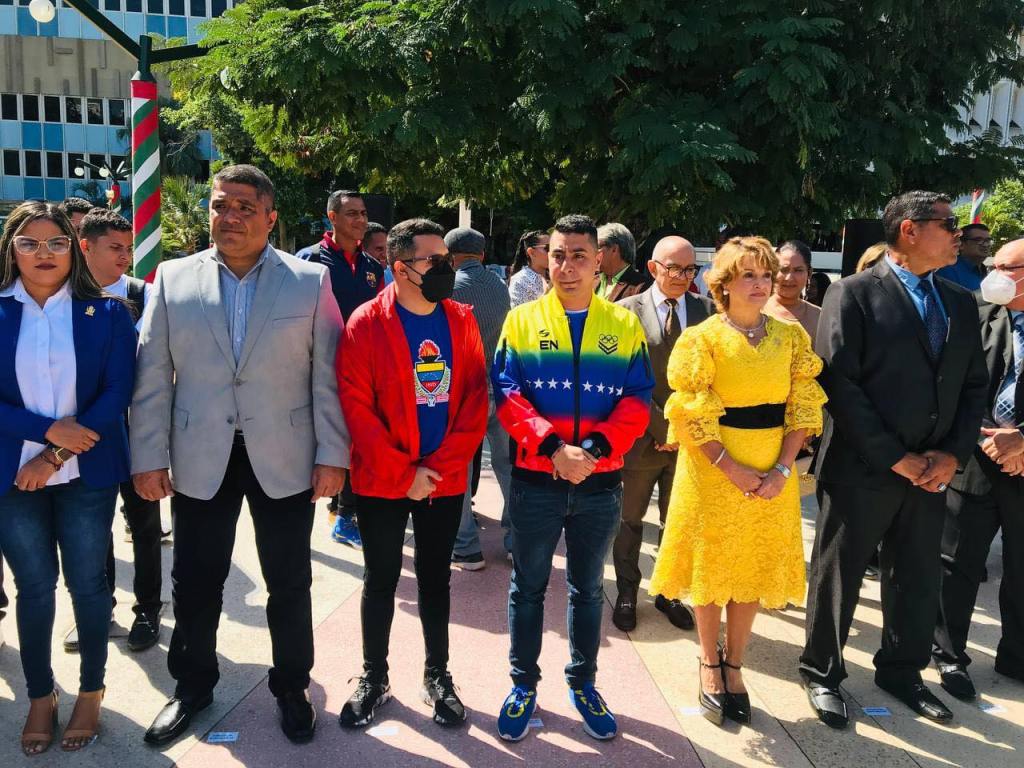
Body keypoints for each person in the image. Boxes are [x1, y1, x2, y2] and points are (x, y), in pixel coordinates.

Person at [131, 164, 350, 745]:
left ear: (270, 217)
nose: (229, 217)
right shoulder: (171, 279)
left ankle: (292, 686)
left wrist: (333, 455)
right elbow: (152, 378)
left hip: (285, 454)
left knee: (289, 580)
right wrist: (147, 458)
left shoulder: (309, 282)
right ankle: (192, 685)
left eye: (244, 208)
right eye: (220, 205)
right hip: (200, 453)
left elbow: (328, 377)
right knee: (195, 579)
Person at [800, 191, 988, 728]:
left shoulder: (959, 300)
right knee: (840, 573)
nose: (959, 235)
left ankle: (902, 671)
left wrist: (951, 455)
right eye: (949, 224)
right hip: (864, 468)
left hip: (932, 472)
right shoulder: (853, 292)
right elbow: (840, 384)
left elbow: (973, 385)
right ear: (909, 229)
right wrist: (895, 458)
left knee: (917, 575)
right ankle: (822, 672)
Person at [649, 237, 824, 727]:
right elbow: (690, 413)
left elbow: (803, 405)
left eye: (766, 275)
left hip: (773, 471)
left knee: (751, 568)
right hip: (712, 472)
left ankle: (735, 663)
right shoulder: (701, 339)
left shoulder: (790, 337)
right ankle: (709, 661)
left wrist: (783, 469)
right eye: (749, 275)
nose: (762, 284)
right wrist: (731, 468)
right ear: (724, 283)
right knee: (713, 567)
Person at [492, 214, 654, 742]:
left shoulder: (623, 324)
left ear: (598, 260)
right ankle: (522, 685)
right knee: (528, 588)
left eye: (579, 255)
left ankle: (583, 683)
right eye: (557, 254)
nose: (566, 266)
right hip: (536, 480)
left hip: (599, 484)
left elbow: (638, 399)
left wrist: (594, 450)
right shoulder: (521, 321)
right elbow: (507, 393)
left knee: (587, 591)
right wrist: (553, 449)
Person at [337, 219, 487, 728]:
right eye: (434, 261)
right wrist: (404, 473)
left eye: (447, 259)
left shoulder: (461, 320)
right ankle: (374, 676)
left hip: (442, 480)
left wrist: (436, 470)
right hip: (383, 479)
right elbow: (357, 409)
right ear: (401, 269)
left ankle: (437, 674)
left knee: (435, 579)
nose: (446, 268)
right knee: (380, 579)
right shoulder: (365, 323)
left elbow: (475, 400)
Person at [0, 201, 137, 754]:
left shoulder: (108, 312)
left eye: (56, 242)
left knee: (88, 584)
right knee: (33, 588)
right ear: (11, 249)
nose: (44, 253)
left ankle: (90, 690)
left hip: (86, 473)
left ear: (73, 249)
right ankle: (40, 695)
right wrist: (46, 431)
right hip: (13, 477)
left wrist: (52, 455)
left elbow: (116, 392)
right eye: (29, 243)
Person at [932, 238, 1024, 698]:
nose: (994, 275)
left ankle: (1017, 657)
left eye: (1006, 268)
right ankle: (949, 656)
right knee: (957, 565)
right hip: (977, 459)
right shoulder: (977, 314)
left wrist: (1022, 440)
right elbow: (958, 386)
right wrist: (989, 438)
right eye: (994, 265)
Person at [69, 208, 164, 654]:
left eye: (128, 248)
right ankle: (96, 610)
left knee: (145, 524)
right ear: (85, 246)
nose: (125, 256)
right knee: (92, 528)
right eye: (115, 248)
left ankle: (148, 610)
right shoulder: (61, 296)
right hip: (85, 434)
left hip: (136, 430)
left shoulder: (144, 295)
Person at [612, 235, 714, 634]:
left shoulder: (707, 311)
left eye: (690, 269)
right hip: (641, 437)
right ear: (653, 268)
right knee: (629, 520)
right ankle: (626, 591)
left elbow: (713, 378)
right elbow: (621, 379)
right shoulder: (625, 313)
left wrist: (684, 429)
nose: (682, 277)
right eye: (674, 268)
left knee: (678, 521)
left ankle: (669, 591)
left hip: (691, 442)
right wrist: (663, 427)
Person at [297, 190, 383, 549]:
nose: (360, 220)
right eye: (351, 214)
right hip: (314, 371)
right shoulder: (308, 261)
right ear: (331, 217)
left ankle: (345, 516)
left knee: (356, 444)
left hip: (360, 374)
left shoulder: (374, 268)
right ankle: (298, 521)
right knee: (307, 448)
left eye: (363, 213)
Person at [445, 227, 513, 570]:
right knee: (508, 466)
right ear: (482, 255)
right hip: (500, 387)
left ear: (450, 256)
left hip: (463, 391)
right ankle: (516, 541)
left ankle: (466, 547)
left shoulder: (449, 289)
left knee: (460, 468)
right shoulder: (500, 286)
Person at [764, 240, 822, 347]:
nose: (789, 278)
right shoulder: (755, 312)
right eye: (783, 270)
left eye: (798, 270)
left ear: (809, 273)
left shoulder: (820, 317)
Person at [596, 223, 650, 301]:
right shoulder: (590, 280)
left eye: (597, 247)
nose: (592, 252)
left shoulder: (642, 287)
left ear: (614, 249)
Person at [937, 222, 991, 291]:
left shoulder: (985, 270)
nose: (986, 245)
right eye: (978, 240)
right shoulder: (947, 271)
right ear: (961, 245)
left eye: (988, 240)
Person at [508, 229, 550, 307]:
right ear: (532, 252)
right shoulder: (520, 281)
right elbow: (518, 312)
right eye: (548, 248)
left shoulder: (558, 276)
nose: (553, 253)